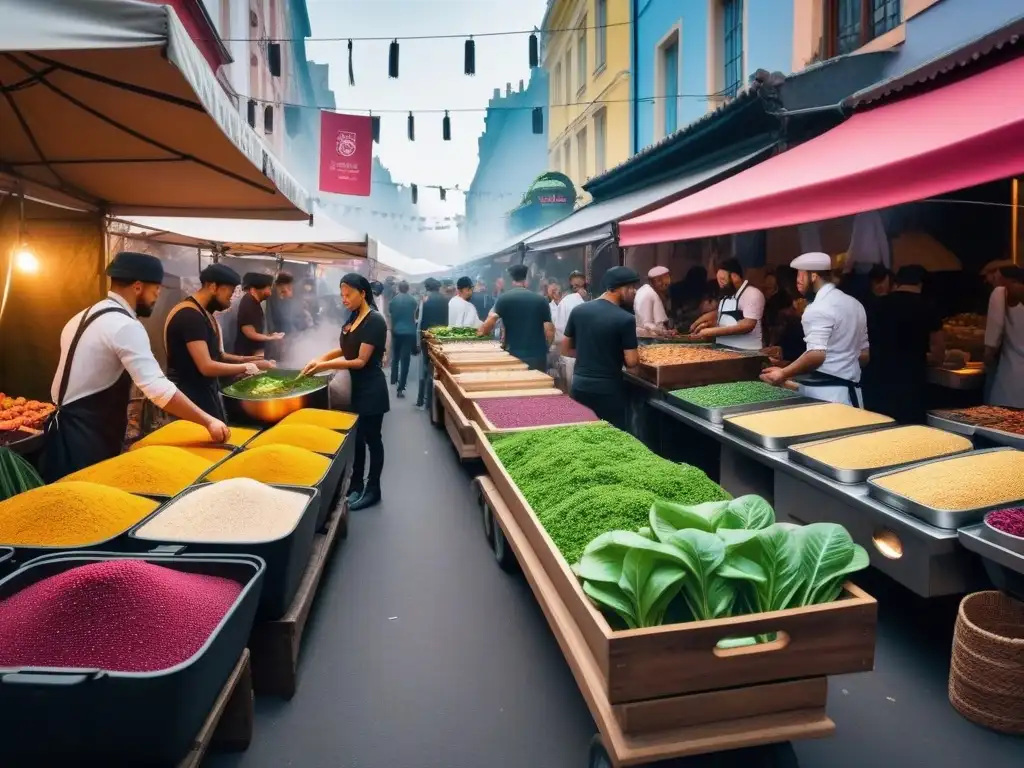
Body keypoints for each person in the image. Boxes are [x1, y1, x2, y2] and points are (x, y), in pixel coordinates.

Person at [40, 251, 229, 482]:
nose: (158, 295)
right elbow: (157, 388)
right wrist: (208, 420)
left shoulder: (82, 316)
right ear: (138, 287)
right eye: (155, 289)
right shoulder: (124, 326)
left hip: (62, 430)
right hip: (86, 437)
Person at [302, 274, 389, 511]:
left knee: (373, 439)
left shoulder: (375, 321)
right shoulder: (353, 318)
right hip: (357, 389)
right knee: (358, 440)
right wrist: (320, 358)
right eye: (342, 294)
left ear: (363, 293)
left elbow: (360, 361)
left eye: (348, 294)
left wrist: (324, 367)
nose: (344, 299)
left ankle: (374, 489)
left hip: (372, 390)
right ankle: (356, 485)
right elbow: (344, 349)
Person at [164, 264, 275, 421]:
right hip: (188, 397)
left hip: (204, 392)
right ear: (213, 287)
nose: (230, 298)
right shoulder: (189, 316)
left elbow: (219, 356)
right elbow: (206, 366)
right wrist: (251, 367)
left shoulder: (204, 314)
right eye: (229, 292)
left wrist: (250, 359)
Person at [760, 252, 869, 406]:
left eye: (800, 275)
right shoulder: (856, 305)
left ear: (813, 276)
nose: (797, 281)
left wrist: (782, 373)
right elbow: (864, 356)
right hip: (853, 396)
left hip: (825, 397)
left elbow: (817, 355)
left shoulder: (816, 308)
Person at [861, 266, 945, 423]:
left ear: (897, 282)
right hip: (910, 384)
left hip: (876, 381)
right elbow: (938, 354)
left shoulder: (876, 305)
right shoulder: (928, 307)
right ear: (921, 284)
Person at [561, 266, 640, 430]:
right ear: (618, 289)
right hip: (609, 390)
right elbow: (632, 362)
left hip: (580, 386)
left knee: (583, 434)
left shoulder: (579, 310)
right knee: (612, 437)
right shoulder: (625, 319)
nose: (635, 292)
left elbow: (565, 348)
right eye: (631, 287)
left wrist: (589, 354)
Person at [478, 263, 554, 371]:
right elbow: (549, 330)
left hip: (513, 355)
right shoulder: (541, 300)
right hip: (538, 357)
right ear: (526, 279)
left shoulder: (504, 299)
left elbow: (490, 321)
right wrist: (545, 347)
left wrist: (481, 332)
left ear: (510, 279)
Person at [689, 259, 765, 350]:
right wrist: (698, 323)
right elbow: (721, 315)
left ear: (735, 277)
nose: (720, 284)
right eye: (718, 280)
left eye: (722, 279)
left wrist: (710, 332)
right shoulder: (727, 294)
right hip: (723, 349)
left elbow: (747, 325)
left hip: (746, 351)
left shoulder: (752, 294)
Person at [985, 266, 1024, 408]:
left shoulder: (1000, 293)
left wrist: (987, 357)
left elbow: (994, 334)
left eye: (995, 278)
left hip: (1010, 377)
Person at [416, 277, 450, 408]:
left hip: (426, 336)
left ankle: (422, 399)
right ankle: (433, 401)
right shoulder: (445, 299)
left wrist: (418, 340)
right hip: (441, 337)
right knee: (437, 367)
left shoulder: (425, 299)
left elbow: (419, 320)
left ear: (427, 287)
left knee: (424, 367)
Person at [234, 272, 282, 357]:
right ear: (257, 289)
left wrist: (270, 336)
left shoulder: (254, 302)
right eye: (269, 289)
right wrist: (271, 338)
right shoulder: (248, 303)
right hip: (246, 355)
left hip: (253, 354)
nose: (270, 293)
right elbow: (250, 333)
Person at [388, 280, 418, 398]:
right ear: (408, 288)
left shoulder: (393, 300)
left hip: (396, 331)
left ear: (399, 288)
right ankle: (401, 388)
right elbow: (414, 315)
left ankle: (393, 378)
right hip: (409, 333)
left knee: (395, 356)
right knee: (405, 361)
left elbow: (390, 313)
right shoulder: (413, 300)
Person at [634, 266, 671, 334]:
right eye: (659, 280)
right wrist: (665, 332)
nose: (664, 283)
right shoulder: (647, 293)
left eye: (667, 278)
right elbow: (646, 324)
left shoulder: (655, 292)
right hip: (647, 338)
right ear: (651, 281)